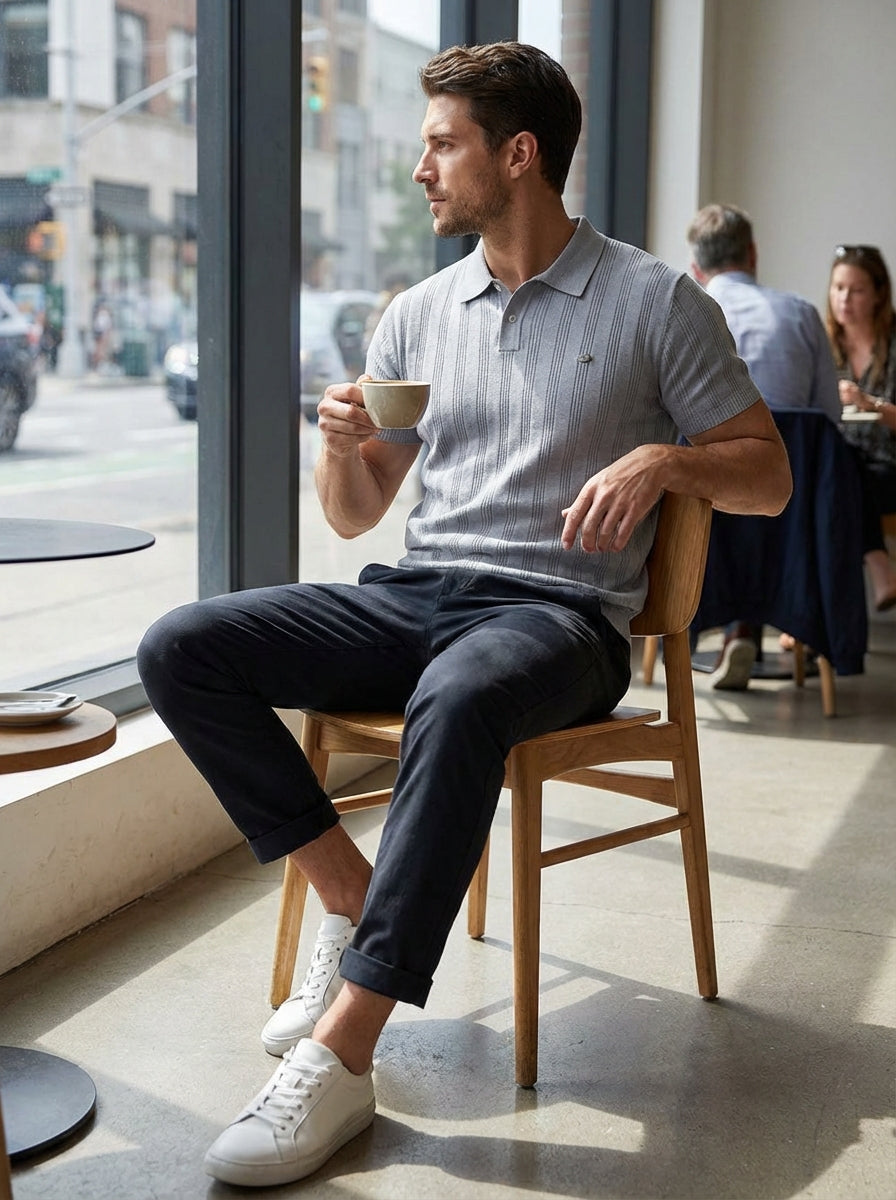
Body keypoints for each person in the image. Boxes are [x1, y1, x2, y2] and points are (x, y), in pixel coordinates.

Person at [137, 42, 792, 1189]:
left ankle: (345, 1055)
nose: (420, 171)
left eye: (441, 144)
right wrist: (337, 451)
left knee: (462, 690)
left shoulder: (652, 300)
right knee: (183, 646)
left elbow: (767, 474)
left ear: (517, 154)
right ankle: (354, 902)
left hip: (561, 617)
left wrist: (663, 462)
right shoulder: (418, 311)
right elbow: (356, 516)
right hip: (414, 593)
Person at [686, 202, 842, 688]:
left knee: (712, 471)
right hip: (790, 518)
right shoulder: (800, 314)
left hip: (702, 527)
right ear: (753, 253)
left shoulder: (688, 313)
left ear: (696, 268)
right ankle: (767, 633)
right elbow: (828, 424)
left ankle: (727, 633)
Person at [825, 244, 896, 611]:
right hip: (840, 468)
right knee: (834, 475)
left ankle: (808, 616)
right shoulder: (823, 345)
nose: (844, 299)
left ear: (878, 294)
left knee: (837, 487)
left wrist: (873, 406)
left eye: (856, 290)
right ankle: (880, 566)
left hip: (888, 468)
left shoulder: (893, 345)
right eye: (838, 288)